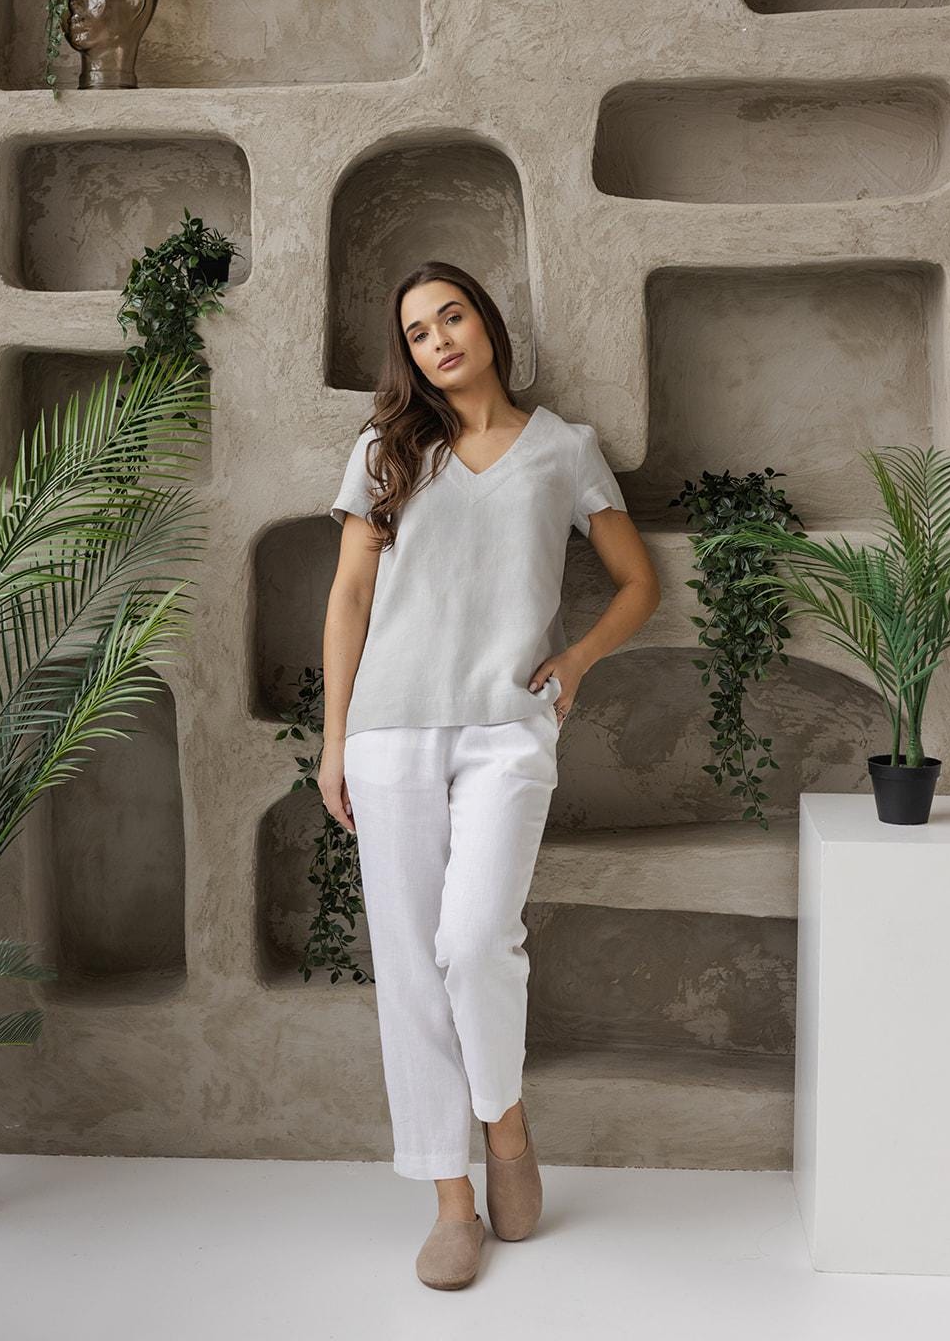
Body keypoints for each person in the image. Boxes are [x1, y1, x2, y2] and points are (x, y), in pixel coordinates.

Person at [319, 260, 660, 1289]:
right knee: (411, 970)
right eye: (417, 332)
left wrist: (578, 658)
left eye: (451, 316)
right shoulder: (386, 450)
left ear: (486, 323)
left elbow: (637, 580)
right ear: (409, 356)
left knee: (474, 942)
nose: (438, 341)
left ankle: (503, 1124)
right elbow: (346, 600)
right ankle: (451, 1199)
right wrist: (333, 740)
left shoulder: (563, 449)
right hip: (388, 734)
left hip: (509, 731)